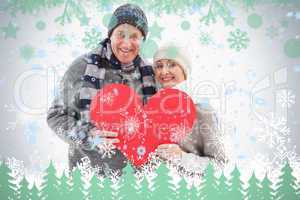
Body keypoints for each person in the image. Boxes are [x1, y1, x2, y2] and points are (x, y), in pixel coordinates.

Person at [47, 4, 157, 176]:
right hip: (90, 179)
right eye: (121, 34)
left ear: (142, 39)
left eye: (134, 36)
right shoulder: (82, 67)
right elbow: (56, 115)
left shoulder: (150, 75)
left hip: (138, 181)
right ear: (110, 35)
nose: (127, 43)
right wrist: (86, 135)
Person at [153, 44, 227, 175]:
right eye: (159, 66)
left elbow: (221, 165)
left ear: (184, 70)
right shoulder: (150, 111)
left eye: (172, 64)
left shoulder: (203, 112)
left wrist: (181, 157)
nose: (164, 72)